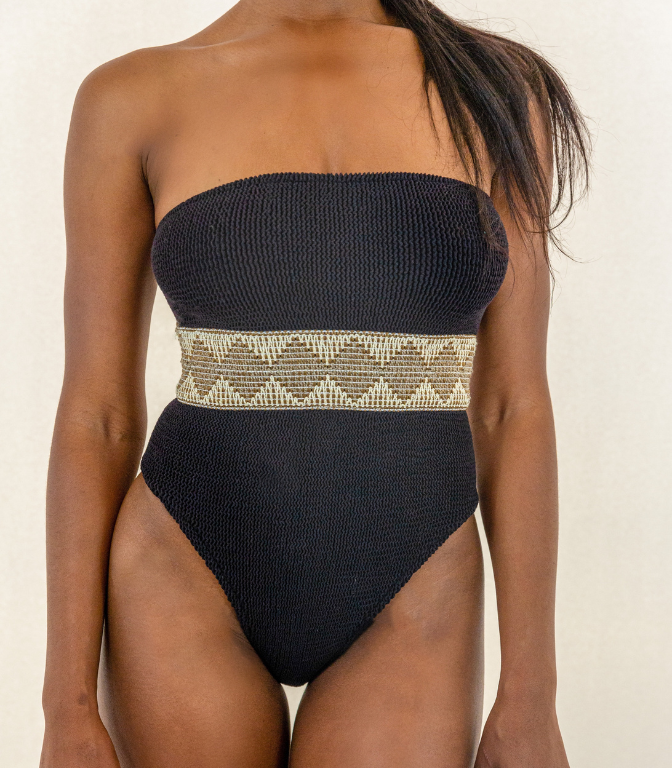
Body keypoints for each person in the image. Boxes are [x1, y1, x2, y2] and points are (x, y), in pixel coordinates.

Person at [40, 1, 590, 766]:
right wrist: (64, 707)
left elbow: (510, 405)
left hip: (417, 570)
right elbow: (97, 415)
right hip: (183, 563)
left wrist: (531, 694)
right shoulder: (132, 96)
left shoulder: (496, 89)